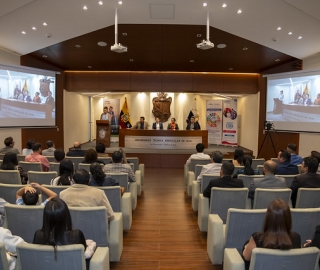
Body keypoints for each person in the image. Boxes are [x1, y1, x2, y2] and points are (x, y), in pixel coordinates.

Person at [33, 198, 93, 269]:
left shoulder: (38, 235)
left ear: (45, 217)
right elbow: (83, 256)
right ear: (66, 215)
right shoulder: (76, 235)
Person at [242, 199, 301, 270]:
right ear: (288, 218)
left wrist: (246, 247)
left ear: (268, 218)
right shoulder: (297, 238)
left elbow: (246, 257)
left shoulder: (257, 238)